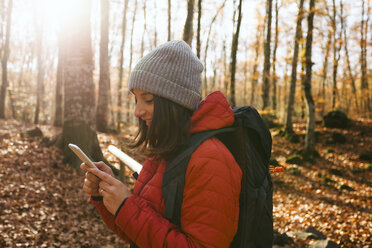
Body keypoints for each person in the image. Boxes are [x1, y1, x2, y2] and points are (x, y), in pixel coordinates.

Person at [81, 40, 242, 247]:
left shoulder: (211, 160)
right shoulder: (166, 151)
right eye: (136, 100)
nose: (137, 111)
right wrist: (107, 196)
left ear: (175, 102)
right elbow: (138, 234)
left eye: (148, 100)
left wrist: (126, 205)